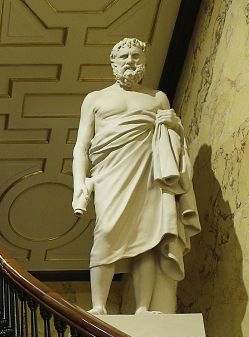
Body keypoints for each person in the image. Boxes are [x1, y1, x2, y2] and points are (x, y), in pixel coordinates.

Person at [72, 37, 200, 315]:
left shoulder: (157, 97)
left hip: (149, 172)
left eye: (136, 56)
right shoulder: (95, 99)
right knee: (105, 232)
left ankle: (143, 308)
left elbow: (173, 142)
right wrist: (78, 185)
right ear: (113, 62)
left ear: (144, 62)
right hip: (110, 172)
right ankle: (99, 307)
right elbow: (81, 147)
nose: (130, 61)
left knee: (148, 240)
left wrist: (175, 126)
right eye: (124, 56)